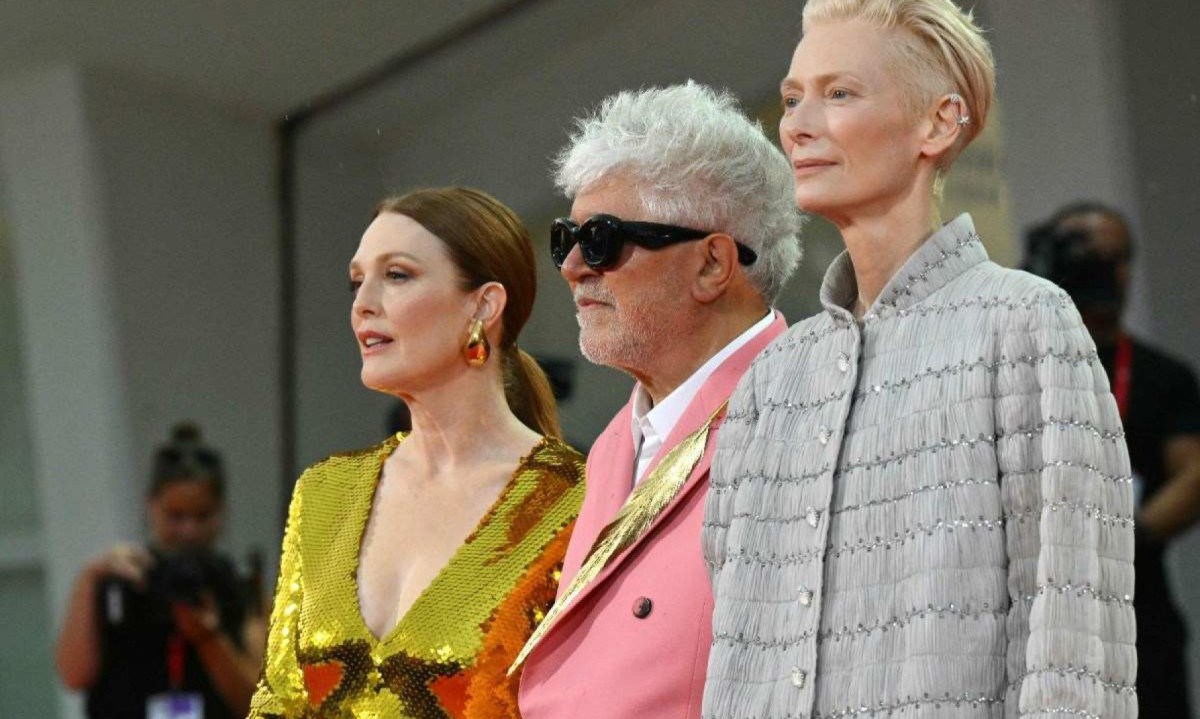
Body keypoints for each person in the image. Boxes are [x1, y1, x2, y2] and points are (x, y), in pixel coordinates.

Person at [702, 2, 1137, 717]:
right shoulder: (773, 381)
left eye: (839, 93)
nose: (798, 124)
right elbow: (738, 653)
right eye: (790, 98)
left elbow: (1074, 633)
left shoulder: (1025, 325)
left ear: (939, 123)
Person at [514, 83, 803, 719]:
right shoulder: (615, 442)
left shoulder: (809, 414)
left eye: (604, 240)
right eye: (567, 239)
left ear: (712, 264)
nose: (571, 268)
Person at [248, 187, 585, 718]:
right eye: (358, 280)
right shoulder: (324, 492)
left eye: (397, 275)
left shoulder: (576, 502)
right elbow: (278, 703)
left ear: (484, 305)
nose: (362, 304)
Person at [1026, 201, 1200, 719]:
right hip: (1036, 610)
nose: (1105, 270)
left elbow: (1195, 476)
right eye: (1085, 255)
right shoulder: (1016, 362)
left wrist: (1127, 535)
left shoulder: (1162, 376)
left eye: (1115, 257)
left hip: (1136, 609)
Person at [55, 423, 265, 719]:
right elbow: (73, 676)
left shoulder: (235, 585)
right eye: (175, 516)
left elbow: (261, 704)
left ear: (221, 511)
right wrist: (90, 578)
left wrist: (209, 638)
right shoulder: (122, 582)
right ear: (150, 506)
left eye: (202, 515)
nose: (189, 531)